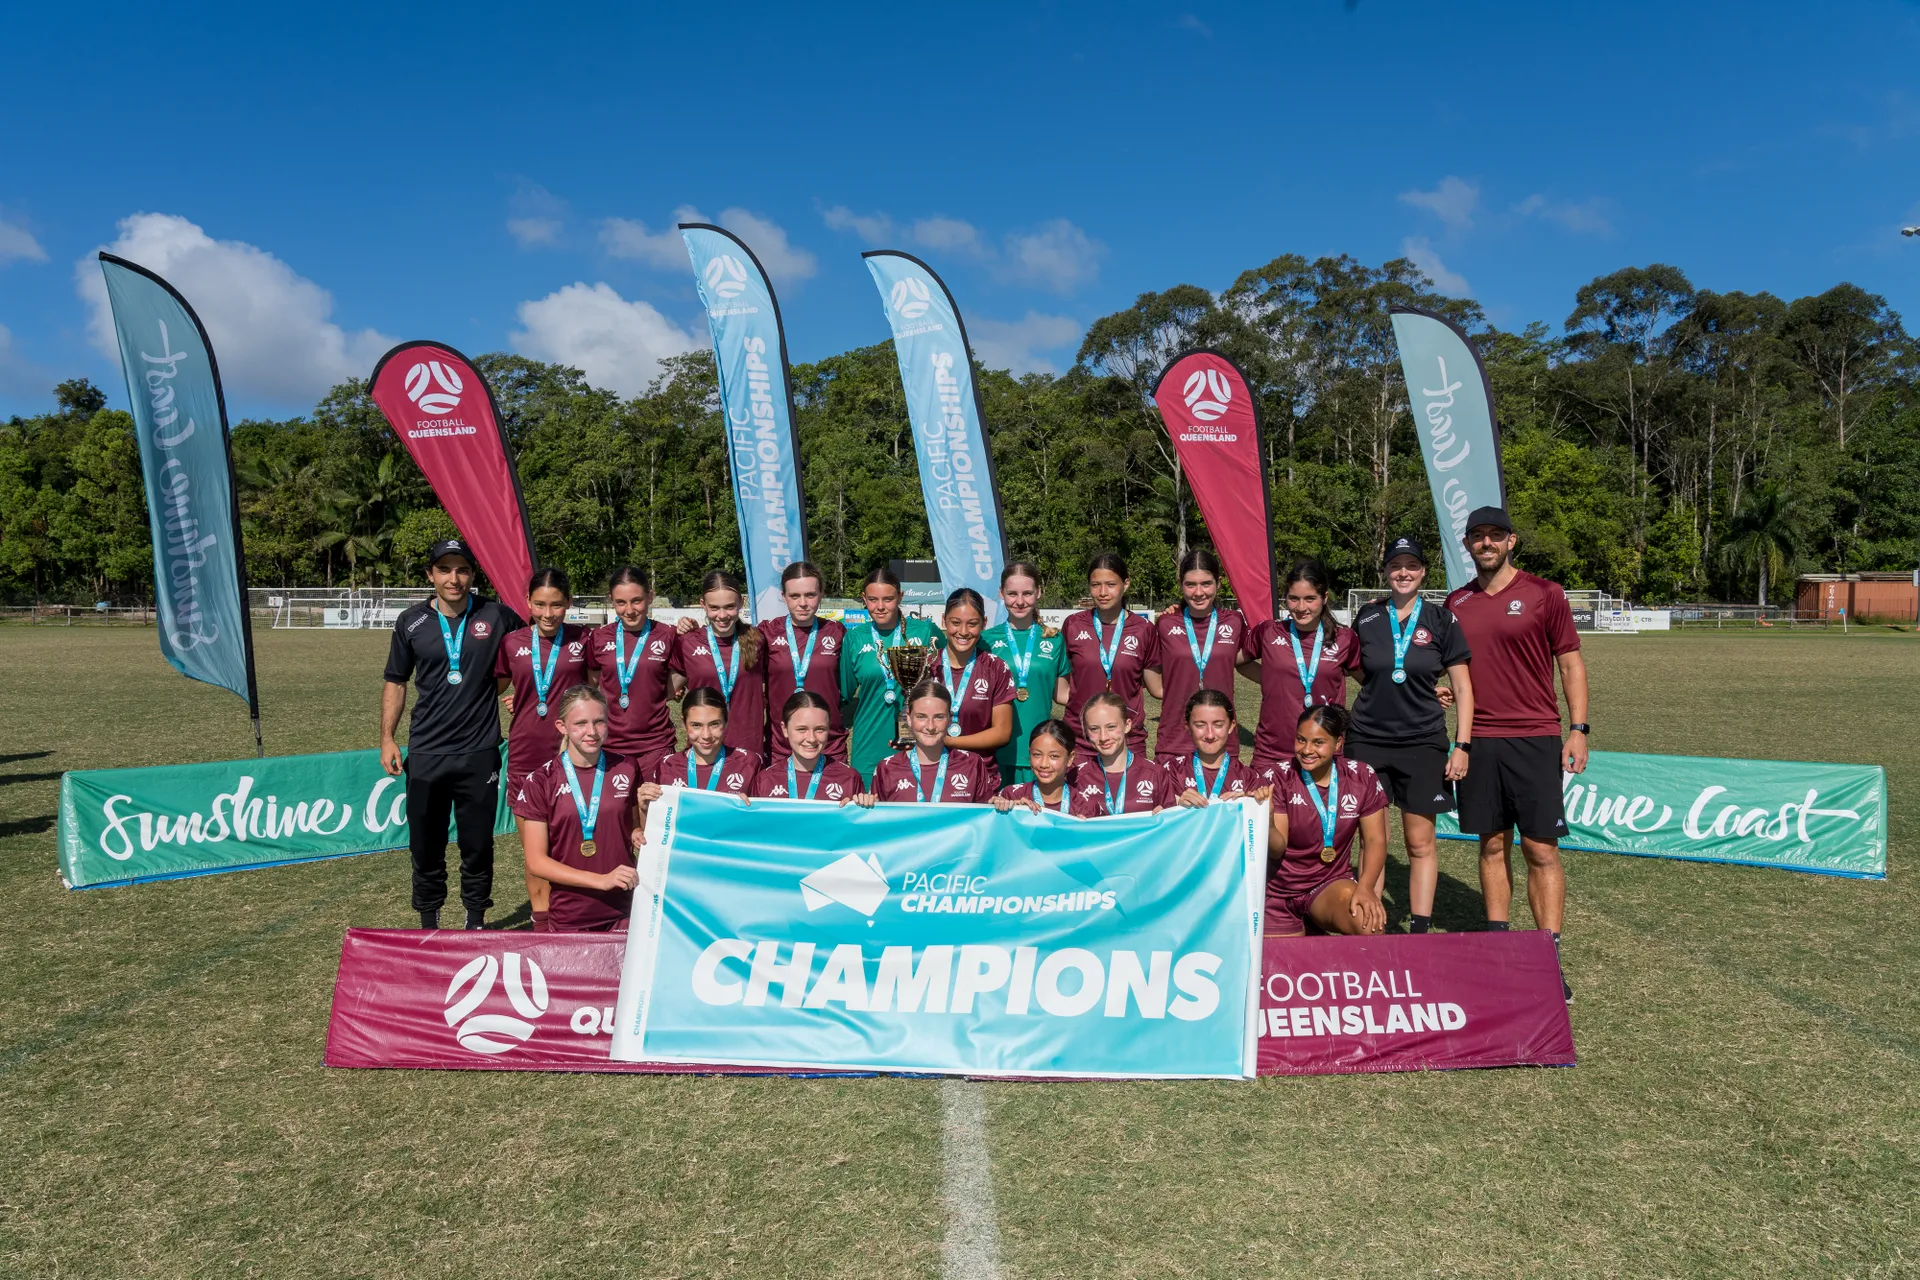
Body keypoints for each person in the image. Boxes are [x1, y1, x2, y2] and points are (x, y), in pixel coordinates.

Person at [1443, 506, 1588, 1000]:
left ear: (1511, 542)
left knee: (1541, 849)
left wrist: (1579, 729)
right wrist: (1443, 690)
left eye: (1495, 536)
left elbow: (1570, 665)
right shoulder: (1455, 601)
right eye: (1477, 537)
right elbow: (1456, 667)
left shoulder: (1544, 594)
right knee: (1490, 844)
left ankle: (1548, 956)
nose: (1486, 543)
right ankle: (1501, 946)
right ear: (1467, 545)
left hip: (1535, 736)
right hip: (1478, 740)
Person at [379, 538, 524, 930]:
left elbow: (531, 652)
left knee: (478, 844)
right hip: (426, 752)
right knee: (426, 844)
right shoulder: (411, 621)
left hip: (479, 752)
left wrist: (514, 692)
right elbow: (396, 680)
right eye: (444, 570)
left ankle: (475, 920)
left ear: (472, 574)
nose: (454, 578)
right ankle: (430, 921)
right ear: (431, 575)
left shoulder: (497, 615)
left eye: (462, 570)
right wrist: (388, 738)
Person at [1347, 536, 1475, 935]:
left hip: (1422, 743)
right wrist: (1403, 686)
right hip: (1367, 739)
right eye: (1396, 565)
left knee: (1420, 843)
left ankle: (1419, 929)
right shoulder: (1367, 616)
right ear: (1385, 571)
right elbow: (1357, 668)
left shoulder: (1442, 619)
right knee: (1372, 843)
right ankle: (1372, 923)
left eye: (1412, 566)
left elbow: (1465, 688)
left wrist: (1463, 745)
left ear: (1423, 572)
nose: (1403, 572)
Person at [493, 566, 595, 932]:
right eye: (540, 605)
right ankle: (542, 926)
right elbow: (501, 685)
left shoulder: (585, 640)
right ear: (528, 604)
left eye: (556, 605)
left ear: (568, 603)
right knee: (536, 853)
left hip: (576, 758)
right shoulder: (512, 643)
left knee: (577, 843)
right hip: (525, 757)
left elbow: (597, 688)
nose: (548, 614)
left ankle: (580, 919)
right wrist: (517, 699)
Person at [509, 685, 649, 933]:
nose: (592, 732)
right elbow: (536, 862)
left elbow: (633, 828)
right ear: (562, 727)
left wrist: (639, 826)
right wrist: (602, 881)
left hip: (626, 910)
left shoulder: (627, 767)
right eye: (581, 723)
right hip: (571, 916)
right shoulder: (541, 781)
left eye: (599, 722)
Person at [1264, 705, 1389, 938]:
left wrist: (1365, 888)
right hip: (1277, 891)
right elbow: (1276, 848)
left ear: (1338, 743)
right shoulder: (1278, 777)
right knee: (1283, 964)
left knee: (1370, 924)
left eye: (1318, 742)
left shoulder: (1361, 776)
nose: (1307, 750)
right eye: (1301, 740)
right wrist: (1268, 821)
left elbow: (1374, 840)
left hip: (1327, 884)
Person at [1240, 558, 1359, 775]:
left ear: (1324, 598)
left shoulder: (1345, 638)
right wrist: (1271, 678)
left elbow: (1371, 680)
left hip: (1323, 750)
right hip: (1272, 750)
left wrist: (1424, 690)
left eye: (1310, 599)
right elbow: (1237, 661)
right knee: (1267, 809)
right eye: (1294, 598)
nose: (1301, 607)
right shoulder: (1268, 632)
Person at [840, 566, 943, 784]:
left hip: (917, 742)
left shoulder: (925, 631)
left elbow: (949, 673)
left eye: (888, 599)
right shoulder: (854, 638)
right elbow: (844, 693)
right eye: (872, 599)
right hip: (868, 743)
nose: (879, 607)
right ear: (864, 599)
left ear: (900, 596)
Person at [1058, 553, 1162, 763]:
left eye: (1111, 584)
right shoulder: (1073, 624)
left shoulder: (1144, 630)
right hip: (1081, 740)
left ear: (1126, 584)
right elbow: (1061, 684)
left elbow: (1156, 688)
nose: (1103, 592)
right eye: (1096, 585)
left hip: (1127, 739)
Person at [1153, 549, 1247, 759]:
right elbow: (1151, 672)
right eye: (1190, 584)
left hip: (1221, 740)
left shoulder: (1234, 621)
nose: (1198, 592)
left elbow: (1243, 660)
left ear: (1219, 582)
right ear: (1181, 584)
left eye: (1206, 583)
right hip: (1175, 740)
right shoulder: (1165, 623)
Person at [981, 561, 1069, 785]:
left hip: (1041, 755)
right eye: (1012, 594)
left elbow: (1062, 694)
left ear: (1039, 592)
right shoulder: (986, 640)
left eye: (1027, 593)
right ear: (1001, 594)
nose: (1020, 602)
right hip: (997, 751)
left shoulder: (1054, 638)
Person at [587, 566, 677, 777]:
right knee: (617, 810)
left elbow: (679, 678)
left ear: (650, 596)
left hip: (656, 745)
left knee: (652, 809)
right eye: (621, 602)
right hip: (610, 744)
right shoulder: (598, 637)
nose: (629, 610)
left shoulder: (668, 635)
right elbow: (590, 684)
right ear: (612, 600)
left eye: (636, 600)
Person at [759, 561, 849, 763]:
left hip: (829, 744)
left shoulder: (837, 633)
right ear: (784, 597)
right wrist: (689, 629)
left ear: (821, 594)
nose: (803, 603)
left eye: (810, 595)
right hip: (780, 746)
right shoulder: (767, 632)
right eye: (794, 596)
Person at [670, 571, 767, 756]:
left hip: (748, 749)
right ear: (703, 605)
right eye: (714, 607)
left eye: (730, 606)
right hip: (704, 747)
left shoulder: (758, 640)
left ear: (741, 602)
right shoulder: (687, 642)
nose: (722, 615)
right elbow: (666, 690)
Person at [933, 588, 1015, 791]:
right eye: (955, 622)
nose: (963, 631)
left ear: (984, 623)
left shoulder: (996, 667)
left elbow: (1002, 732)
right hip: (932, 775)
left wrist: (948, 741)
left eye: (972, 624)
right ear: (944, 621)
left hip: (981, 776)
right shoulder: (926, 665)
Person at [872, 681, 996, 803]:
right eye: (921, 716)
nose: (930, 726)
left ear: (949, 719)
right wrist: (863, 805)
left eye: (939, 717)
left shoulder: (972, 764)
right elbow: (876, 819)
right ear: (909, 718)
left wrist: (1000, 806)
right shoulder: (887, 769)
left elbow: (985, 817)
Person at [748, 691, 871, 804]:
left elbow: (860, 825)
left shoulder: (849, 778)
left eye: (820, 729)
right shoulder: (765, 780)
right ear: (784, 729)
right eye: (802, 729)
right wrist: (740, 806)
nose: (811, 738)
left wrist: (864, 806)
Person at [1069, 691, 1180, 815]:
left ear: (1127, 725)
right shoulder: (1076, 777)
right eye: (1094, 729)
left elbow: (1173, 828)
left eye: (1111, 727)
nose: (1103, 737)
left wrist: (1166, 818)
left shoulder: (1156, 774)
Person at [650, 687, 761, 796]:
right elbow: (659, 813)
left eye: (714, 724)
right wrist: (644, 808)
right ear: (684, 724)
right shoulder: (667, 766)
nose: (706, 735)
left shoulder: (750, 764)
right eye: (696, 725)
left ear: (726, 721)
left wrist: (747, 810)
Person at [1165, 690, 1261, 806]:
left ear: (1231, 726)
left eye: (1218, 725)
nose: (1209, 735)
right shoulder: (1172, 771)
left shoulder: (1249, 778)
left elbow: (1262, 822)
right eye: (1200, 725)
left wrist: (1247, 806)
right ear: (1188, 727)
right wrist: (1176, 804)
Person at [993, 720, 1102, 816]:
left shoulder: (1086, 807)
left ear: (1070, 759)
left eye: (1054, 756)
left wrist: (1083, 831)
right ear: (1029, 753)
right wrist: (1004, 810)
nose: (1044, 764)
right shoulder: (1011, 796)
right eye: (1037, 754)